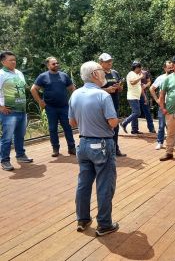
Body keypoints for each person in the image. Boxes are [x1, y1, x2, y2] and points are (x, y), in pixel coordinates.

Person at [69, 61, 119, 236]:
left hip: (83, 145)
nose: (105, 72)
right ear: (95, 74)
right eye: (101, 70)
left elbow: (72, 122)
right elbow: (112, 122)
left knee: (83, 184)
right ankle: (104, 224)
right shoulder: (102, 96)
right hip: (102, 145)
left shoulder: (75, 94)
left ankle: (83, 219)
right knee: (105, 185)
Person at [31, 57, 76, 157]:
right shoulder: (43, 76)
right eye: (53, 64)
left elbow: (72, 88)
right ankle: (55, 149)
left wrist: (74, 100)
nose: (56, 65)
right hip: (50, 107)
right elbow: (33, 89)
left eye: (57, 63)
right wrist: (40, 101)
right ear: (48, 65)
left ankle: (71, 148)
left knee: (68, 127)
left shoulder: (64, 76)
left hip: (64, 107)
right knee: (52, 128)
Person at [0, 51, 33, 171]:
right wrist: (1, 107)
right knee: (7, 137)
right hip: (9, 112)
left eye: (14, 59)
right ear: (3, 61)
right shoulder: (1, 74)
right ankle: (4, 160)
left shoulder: (19, 73)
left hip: (21, 110)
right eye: (11, 60)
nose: (14, 62)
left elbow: (23, 88)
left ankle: (20, 155)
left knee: (20, 135)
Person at [149, 60, 175, 150]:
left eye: (172, 67)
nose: (171, 69)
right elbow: (151, 89)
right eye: (169, 68)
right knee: (161, 124)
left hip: (174, 104)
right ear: (164, 68)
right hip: (163, 104)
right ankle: (160, 142)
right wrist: (157, 100)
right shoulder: (161, 78)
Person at [98, 53, 126, 157]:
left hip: (114, 104)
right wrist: (107, 90)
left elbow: (121, 88)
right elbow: (94, 90)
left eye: (110, 60)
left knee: (115, 127)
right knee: (103, 127)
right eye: (107, 61)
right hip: (101, 106)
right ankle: (104, 151)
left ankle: (115, 149)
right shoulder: (98, 74)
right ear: (100, 63)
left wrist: (119, 87)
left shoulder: (115, 73)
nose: (110, 63)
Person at [120, 61, 144, 136]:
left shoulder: (135, 74)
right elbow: (132, 82)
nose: (141, 70)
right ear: (136, 68)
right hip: (132, 97)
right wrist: (140, 77)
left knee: (135, 113)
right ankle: (124, 123)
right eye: (140, 68)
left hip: (136, 97)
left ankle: (134, 130)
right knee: (137, 113)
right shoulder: (131, 74)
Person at [139, 67, 155, 133]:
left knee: (147, 111)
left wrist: (145, 86)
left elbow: (149, 81)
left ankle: (151, 128)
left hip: (144, 94)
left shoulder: (145, 73)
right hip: (135, 95)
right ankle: (134, 129)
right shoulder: (132, 74)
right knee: (135, 113)